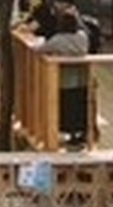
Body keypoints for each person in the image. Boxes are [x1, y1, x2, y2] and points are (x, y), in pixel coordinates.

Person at [37, 8, 90, 146]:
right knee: (80, 105)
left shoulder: (58, 40)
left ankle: (69, 133)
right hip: (82, 77)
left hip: (65, 79)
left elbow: (40, 49)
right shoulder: (82, 37)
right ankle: (81, 134)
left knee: (66, 106)